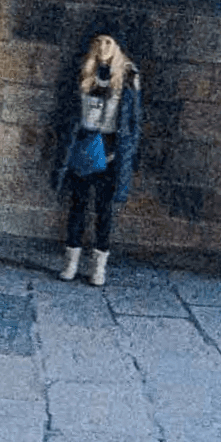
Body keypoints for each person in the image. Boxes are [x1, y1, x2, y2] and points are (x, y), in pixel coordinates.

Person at [51, 32, 142, 286]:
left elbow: (134, 118)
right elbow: (66, 109)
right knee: (77, 207)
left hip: (111, 152)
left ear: (117, 47)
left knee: (104, 211)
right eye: (99, 41)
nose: (103, 47)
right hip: (83, 147)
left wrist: (131, 151)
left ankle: (98, 268)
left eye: (109, 42)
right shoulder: (84, 71)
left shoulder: (128, 76)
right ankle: (70, 263)